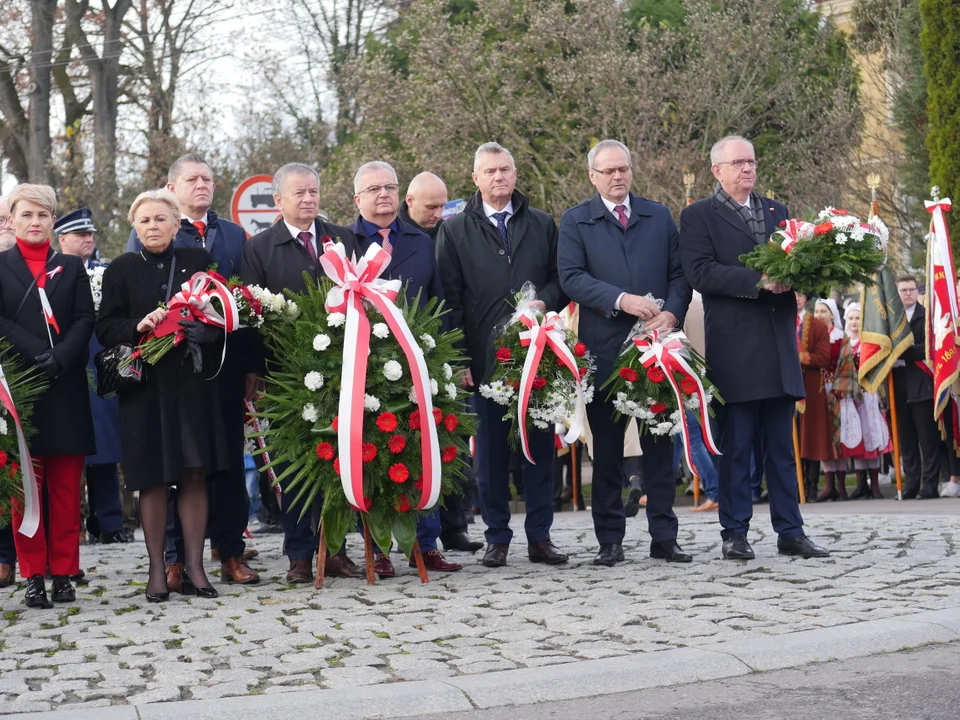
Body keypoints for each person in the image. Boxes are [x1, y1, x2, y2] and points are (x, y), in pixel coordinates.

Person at [678, 135, 829, 560]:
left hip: (779, 345)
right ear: (717, 171)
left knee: (782, 450)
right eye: (738, 162)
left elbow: (797, 260)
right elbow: (700, 273)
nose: (747, 168)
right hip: (735, 348)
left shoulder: (777, 211)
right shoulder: (697, 216)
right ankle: (735, 532)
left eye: (751, 161)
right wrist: (758, 282)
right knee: (737, 448)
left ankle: (791, 531)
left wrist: (800, 285)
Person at [558, 138, 693, 566]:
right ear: (592, 176)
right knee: (609, 452)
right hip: (605, 351)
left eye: (624, 169)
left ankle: (664, 536)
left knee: (659, 446)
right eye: (609, 171)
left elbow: (680, 274)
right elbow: (571, 277)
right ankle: (610, 540)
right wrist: (622, 300)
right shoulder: (576, 221)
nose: (618, 177)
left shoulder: (658, 216)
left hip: (657, 350)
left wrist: (671, 313)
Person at [127, 154, 258, 588]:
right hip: (169, 374)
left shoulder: (235, 235)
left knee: (225, 462)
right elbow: (136, 299)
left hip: (221, 367)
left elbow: (245, 304)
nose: (202, 185)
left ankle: (231, 551)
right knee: (176, 467)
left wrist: (245, 362)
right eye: (192, 179)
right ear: (171, 187)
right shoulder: (153, 227)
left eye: (208, 178)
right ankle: (173, 558)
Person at [436, 142, 569, 568]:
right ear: (475, 178)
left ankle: (540, 537)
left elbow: (559, 279)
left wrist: (541, 303)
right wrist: (458, 361)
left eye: (506, 170)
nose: (499, 177)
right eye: (490, 171)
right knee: (491, 454)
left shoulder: (543, 223)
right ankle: (497, 537)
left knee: (539, 447)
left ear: (515, 175)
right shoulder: (455, 230)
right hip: (484, 359)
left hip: (537, 354)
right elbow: (448, 298)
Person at [97, 189, 232, 602]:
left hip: (191, 386)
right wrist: (139, 325)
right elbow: (104, 328)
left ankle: (194, 566)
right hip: (145, 390)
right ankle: (158, 570)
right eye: (145, 221)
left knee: (193, 473)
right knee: (152, 479)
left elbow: (223, 317)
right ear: (134, 229)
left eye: (160, 219)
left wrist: (203, 332)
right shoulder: (120, 269)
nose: (152, 227)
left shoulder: (197, 263)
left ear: (177, 224)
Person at [242, 162, 365, 583]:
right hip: (285, 375)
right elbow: (251, 315)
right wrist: (255, 371)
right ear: (278, 201)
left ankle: (336, 549)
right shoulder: (260, 248)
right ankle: (299, 553)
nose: (309, 199)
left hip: (340, 369)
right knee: (294, 465)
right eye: (299, 193)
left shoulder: (342, 239)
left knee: (339, 460)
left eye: (314, 191)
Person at [347, 160, 463, 577]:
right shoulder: (343, 243)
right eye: (374, 189)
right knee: (373, 455)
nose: (383, 195)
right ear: (357, 198)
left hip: (420, 361)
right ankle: (378, 548)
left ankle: (426, 544)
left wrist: (449, 360)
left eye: (390, 187)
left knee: (423, 449)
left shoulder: (424, 239)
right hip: (366, 364)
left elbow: (442, 302)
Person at [0, 184, 96, 608]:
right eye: (26, 215)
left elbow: (83, 318)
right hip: (20, 389)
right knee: (27, 490)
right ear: (13, 220)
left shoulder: (71, 266)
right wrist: (33, 352)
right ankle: (33, 574)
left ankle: (63, 572)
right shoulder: (0, 265)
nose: (35, 222)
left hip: (66, 385)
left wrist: (60, 356)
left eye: (42, 215)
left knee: (64, 490)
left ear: (53, 220)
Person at [55, 208, 130, 543]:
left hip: (101, 362)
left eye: (90, 234)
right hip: (67, 363)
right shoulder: (52, 273)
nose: (88, 239)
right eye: (80, 235)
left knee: (106, 445)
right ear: (62, 239)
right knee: (67, 451)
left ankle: (110, 522)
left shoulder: (105, 272)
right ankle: (73, 525)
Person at [892, 275, 941, 499]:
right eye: (904, 290)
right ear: (897, 293)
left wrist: (901, 350)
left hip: (922, 382)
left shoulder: (927, 317)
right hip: (898, 382)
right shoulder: (891, 318)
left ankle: (930, 484)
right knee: (906, 438)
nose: (908, 293)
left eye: (912, 289)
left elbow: (928, 349)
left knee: (927, 437)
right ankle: (911, 483)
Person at [841, 304, 894, 499]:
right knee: (859, 440)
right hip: (852, 396)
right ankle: (861, 483)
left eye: (857, 318)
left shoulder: (868, 343)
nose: (854, 322)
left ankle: (875, 484)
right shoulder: (844, 343)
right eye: (851, 319)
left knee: (872, 435)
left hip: (869, 394)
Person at [810, 298, 850, 502]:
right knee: (823, 437)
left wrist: (838, 388)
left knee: (838, 437)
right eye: (816, 311)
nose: (819, 315)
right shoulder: (813, 337)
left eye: (823, 311)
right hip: (818, 392)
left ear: (832, 314)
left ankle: (841, 486)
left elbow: (845, 365)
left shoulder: (841, 337)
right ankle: (829, 486)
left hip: (836, 390)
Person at [796, 292, 834, 501]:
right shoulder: (779, 322)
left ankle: (811, 487)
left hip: (810, 390)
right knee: (789, 439)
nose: (797, 298)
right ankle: (794, 486)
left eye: (800, 294)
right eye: (793, 294)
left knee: (811, 438)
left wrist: (799, 356)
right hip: (784, 391)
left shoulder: (818, 326)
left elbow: (823, 357)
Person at [399, 172, 448, 240]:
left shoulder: (450, 235)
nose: (438, 215)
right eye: (431, 207)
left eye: (442, 206)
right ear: (410, 201)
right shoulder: (389, 236)